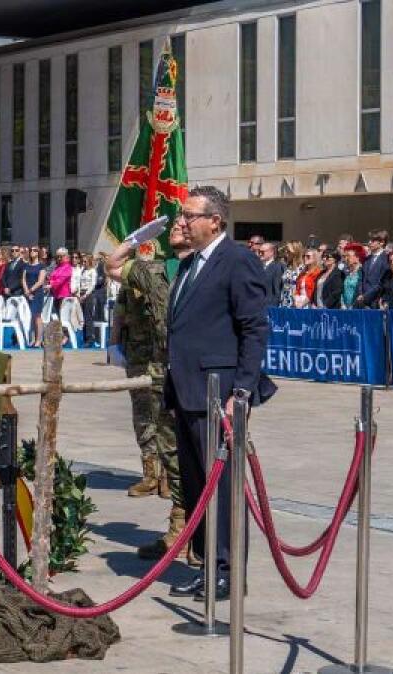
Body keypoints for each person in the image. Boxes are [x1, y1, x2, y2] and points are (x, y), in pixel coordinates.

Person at [165, 186, 274, 603]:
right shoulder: (190, 264)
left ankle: (229, 570)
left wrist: (243, 389)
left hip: (219, 392)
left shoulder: (237, 260)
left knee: (223, 488)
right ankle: (207, 564)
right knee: (197, 487)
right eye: (183, 214)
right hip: (186, 390)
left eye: (191, 215)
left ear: (215, 221)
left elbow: (254, 328)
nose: (184, 221)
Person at [105, 223, 193, 564]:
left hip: (202, 373)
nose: (178, 225)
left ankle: (199, 532)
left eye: (187, 221)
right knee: (170, 446)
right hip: (162, 369)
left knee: (199, 451)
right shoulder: (156, 271)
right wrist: (136, 238)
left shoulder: (214, 267)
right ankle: (179, 526)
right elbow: (112, 265)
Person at [22, 247, 47, 345]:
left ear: (38, 253)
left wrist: (31, 290)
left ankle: (39, 340)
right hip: (28, 293)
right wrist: (26, 291)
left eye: (35, 250)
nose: (32, 251)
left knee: (37, 316)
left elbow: (40, 281)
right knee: (31, 317)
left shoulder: (41, 266)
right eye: (31, 250)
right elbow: (23, 279)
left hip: (37, 294)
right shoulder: (27, 266)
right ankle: (33, 338)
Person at [358, 230, 389, 307]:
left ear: (382, 242)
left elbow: (381, 283)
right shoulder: (367, 259)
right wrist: (361, 294)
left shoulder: (386, 259)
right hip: (362, 302)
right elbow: (361, 279)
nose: (369, 243)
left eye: (373, 241)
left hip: (376, 301)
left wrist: (366, 296)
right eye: (369, 240)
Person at [260, 242, 286, 308]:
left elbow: (277, 290)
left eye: (262, 252)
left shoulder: (277, 267)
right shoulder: (259, 266)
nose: (260, 254)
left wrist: (273, 308)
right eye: (259, 251)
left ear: (271, 252)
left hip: (269, 306)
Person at [279, 241, 304, 308]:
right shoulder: (287, 267)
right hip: (284, 300)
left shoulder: (302, 269)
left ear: (295, 253)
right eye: (286, 251)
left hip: (295, 303)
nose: (286, 254)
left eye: (288, 252)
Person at [341, 243, 365, 308]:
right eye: (345, 256)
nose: (346, 259)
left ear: (357, 257)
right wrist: (342, 305)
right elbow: (342, 290)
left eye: (348, 256)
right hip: (344, 308)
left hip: (357, 307)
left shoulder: (363, 272)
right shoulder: (345, 272)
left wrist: (353, 306)